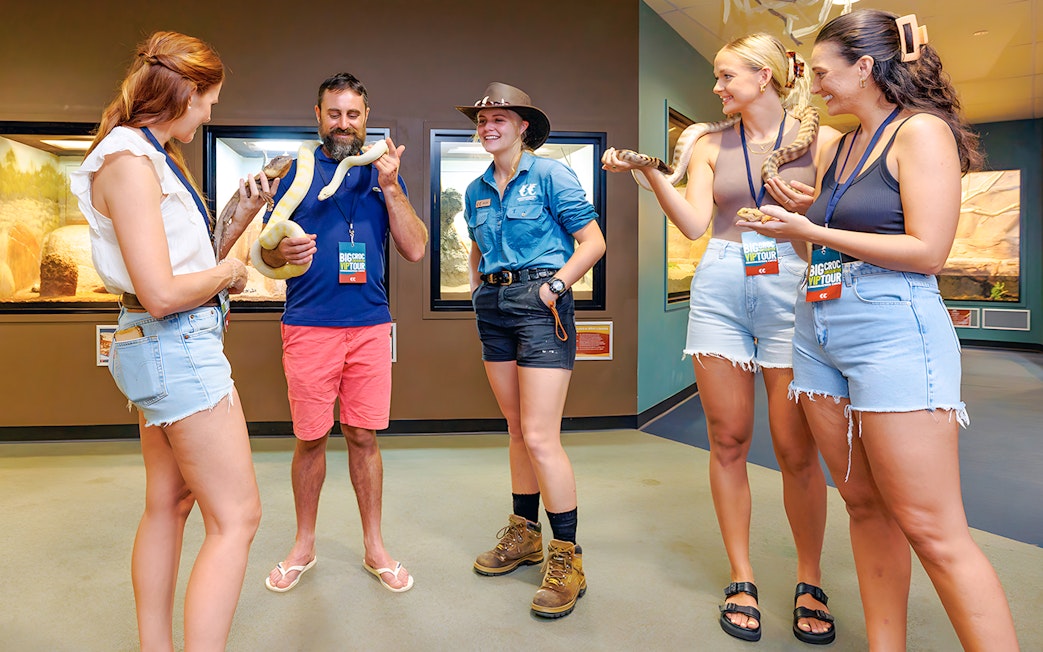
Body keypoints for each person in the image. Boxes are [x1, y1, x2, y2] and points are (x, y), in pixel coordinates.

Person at [738, 10, 1020, 650]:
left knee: (932, 526)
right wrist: (805, 211)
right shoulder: (840, 146)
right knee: (862, 504)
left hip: (892, 328)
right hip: (818, 326)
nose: (812, 88)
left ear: (864, 67)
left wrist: (809, 231)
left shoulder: (920, 132)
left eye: (821, 73)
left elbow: (928, 250)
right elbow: (856, 235)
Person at [603, 34, 839, 644]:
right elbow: (692, 224)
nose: (716, 87)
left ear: (763, 77)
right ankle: (742, 575)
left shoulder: (826, 142)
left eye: (726, 76)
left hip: (793, 286)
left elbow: (838, 231)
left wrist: (824, 275)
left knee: (794, 450)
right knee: (727, 438)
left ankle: (809, 578)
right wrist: (651, 173)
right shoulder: (709, 143)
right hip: (720, 288)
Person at [70, 31, 270, 650]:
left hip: (159, 345)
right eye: (208, 98)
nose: (211, 112)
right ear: (184, 93)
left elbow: (178, 266)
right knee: (237, 518)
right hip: (174, 343)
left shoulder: (145, 153)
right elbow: (160, 291)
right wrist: (234, 274)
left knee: (170, 502)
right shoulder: (130, 160)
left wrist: (236, 213)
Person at [261, 72, 427, 595]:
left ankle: (374, 546)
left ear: (366, 118)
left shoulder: (382, 173)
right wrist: (277, 253)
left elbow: (416, 248)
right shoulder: (293, 172)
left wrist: (392, 186)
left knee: (363, 436)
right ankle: (303, 545)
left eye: (353, 114)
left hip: (370, 328)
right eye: (334, 113)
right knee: (310, 438)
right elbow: (265, 249)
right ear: (318, 116)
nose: (343, 124)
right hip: (308, 325)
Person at [455, 82, 606, 619]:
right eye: (482, 119)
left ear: (523, 126)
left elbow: (593, 242)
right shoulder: (475, 188)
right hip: (494, 305)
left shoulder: (550, 174)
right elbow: (477, 247)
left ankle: (568, 556)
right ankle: (525, 536)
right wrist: (479, 290)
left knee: (542, 436)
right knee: (517, 428)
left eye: (499, 118)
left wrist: (556, 288)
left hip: (541, 301)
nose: (488, 125)